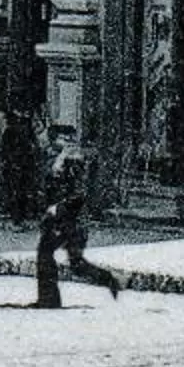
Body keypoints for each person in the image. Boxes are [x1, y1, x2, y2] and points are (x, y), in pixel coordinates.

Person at [33, 125, 119, 307]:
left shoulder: (73, 162)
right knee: (69, 261)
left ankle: (49, 299)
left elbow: (78, 194)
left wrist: (59, 207)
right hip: (63, 218)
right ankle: (107, 280)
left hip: (68, 219)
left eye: (60, 139)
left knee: (49, 256)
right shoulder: (60, 159)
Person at [0, 106, 40, 224]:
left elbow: (3, 148)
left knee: (14, 191)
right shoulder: (26, 128)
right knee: (22, 190)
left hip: (14, 164)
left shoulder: (10, 130)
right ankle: (22, 216)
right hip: (24, 164)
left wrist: (4, 160)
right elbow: (34, 146)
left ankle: (17, 218)